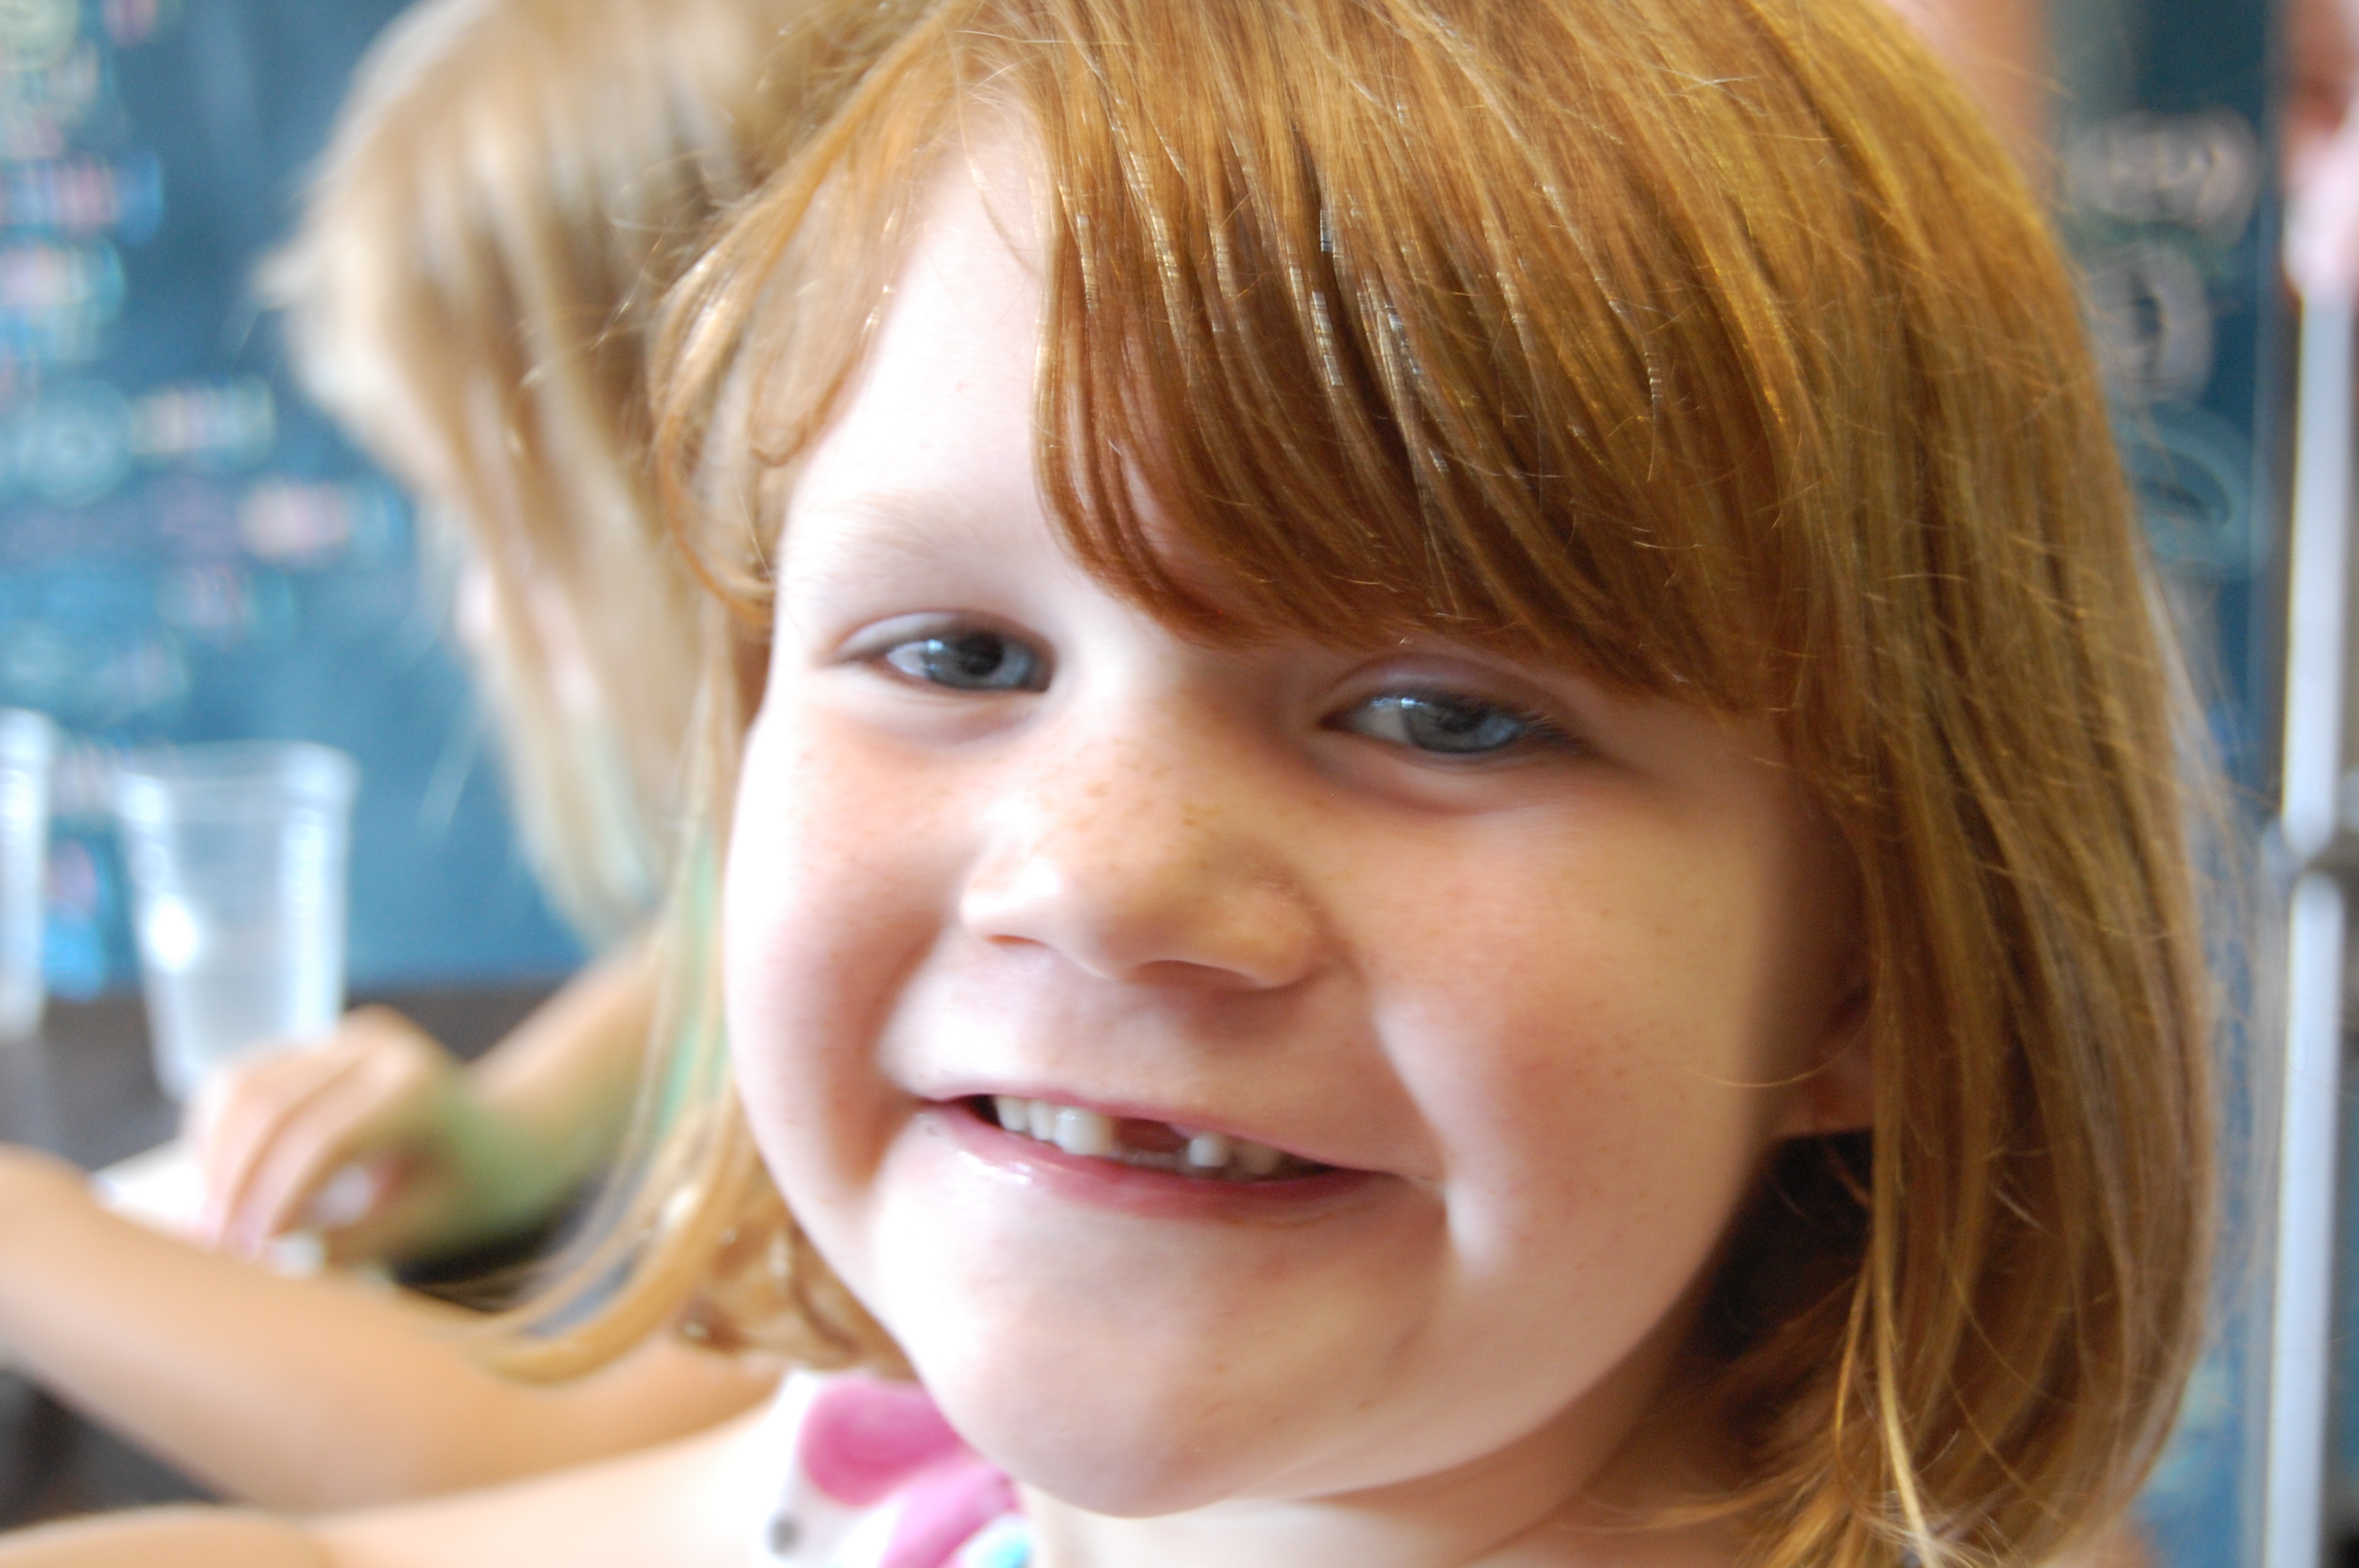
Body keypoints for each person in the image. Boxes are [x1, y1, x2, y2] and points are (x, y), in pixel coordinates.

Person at [0, 0, 2215, 1562]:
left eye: (1442, 715)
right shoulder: (905, 1488)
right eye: (957, 656)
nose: (1095, 874)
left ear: (1878, 964)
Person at [0, 0, 844, 1509]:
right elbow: (705, 948)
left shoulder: (907, 952)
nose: (474, 609)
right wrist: (512, 1130)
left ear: (682, 491)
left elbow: (568, 1466)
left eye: (493, 526)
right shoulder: (797, 861)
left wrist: (29, 1240)